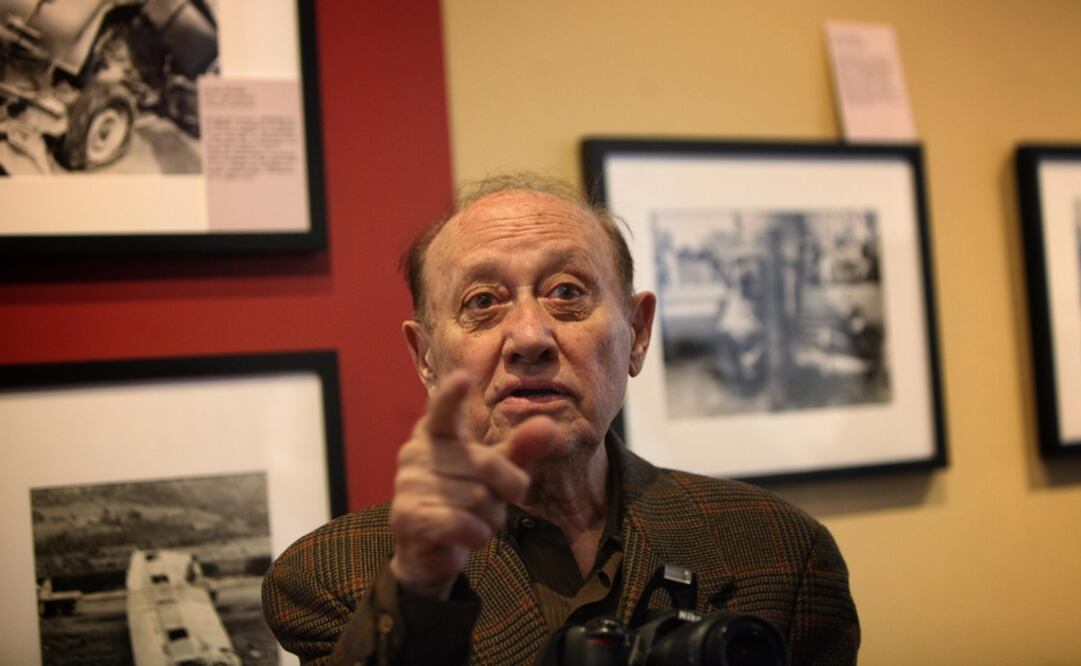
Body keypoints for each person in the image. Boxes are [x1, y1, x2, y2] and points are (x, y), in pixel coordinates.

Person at [261, 174, 860, 665]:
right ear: (425, 357)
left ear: (638, 334)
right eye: (483, 302)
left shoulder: (783, 553)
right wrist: (419, 587)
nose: (529, 337)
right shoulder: (331, 575)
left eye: (567, 292)